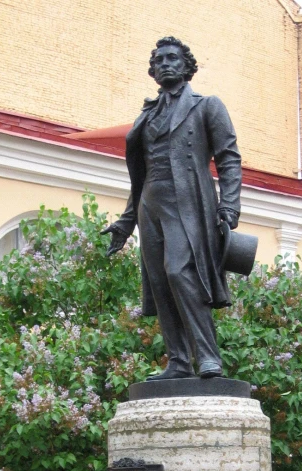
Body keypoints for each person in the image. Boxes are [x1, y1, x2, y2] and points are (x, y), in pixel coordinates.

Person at [102, 36, 242, 380]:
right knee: (161, 279)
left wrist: (229, 207)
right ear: (153, 70)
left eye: (172, 58)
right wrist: (126, 221)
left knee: (180, 271)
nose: (165, 63)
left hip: (188, 201)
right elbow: (140, 173)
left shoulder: (207, 105)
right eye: (159, 59)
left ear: (186, 66)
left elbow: (228, 158)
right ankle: (178, 361)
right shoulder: (147, 115)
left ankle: (208, 357)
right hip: (151, 202)